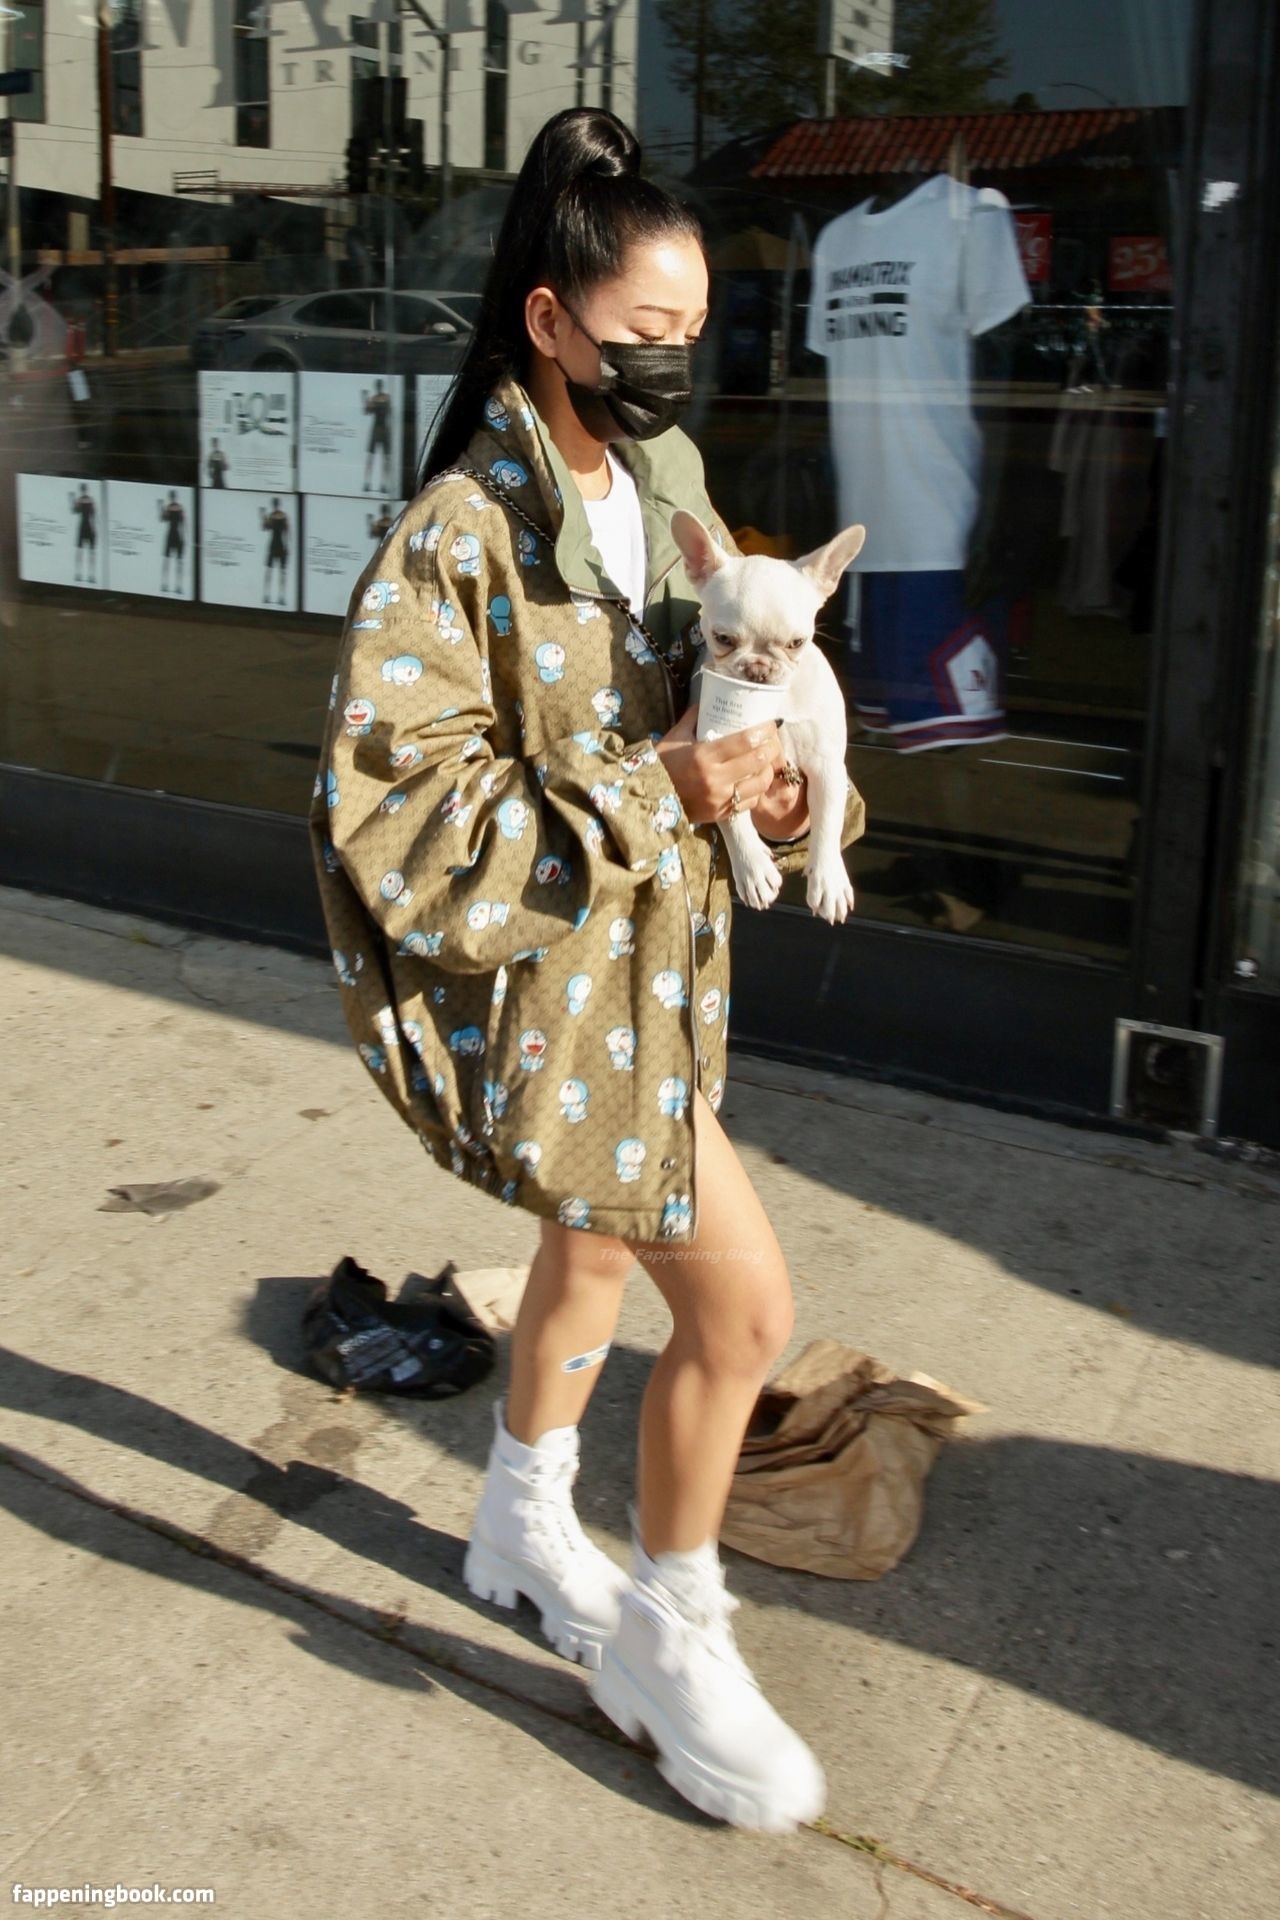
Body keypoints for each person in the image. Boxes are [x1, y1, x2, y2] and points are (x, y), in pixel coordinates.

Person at [308, 107, 866, 1835]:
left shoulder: (669, 491)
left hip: (665, 979)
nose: (671, 365)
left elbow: (754, 683)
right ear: (551, 322)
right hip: (556, 1003)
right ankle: (669, 1642)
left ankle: (520, 1517)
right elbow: (398, 827)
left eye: (695, 332)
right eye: (644, 332)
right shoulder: (456, 534)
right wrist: (667, 789)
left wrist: (786, 787)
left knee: (595, 1249)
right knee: (745, 1311)